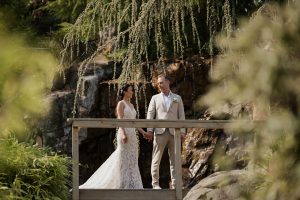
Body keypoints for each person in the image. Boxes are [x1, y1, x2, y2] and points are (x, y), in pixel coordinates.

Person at [79, 84, 146, 189]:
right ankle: (121, 183)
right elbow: (120, 119)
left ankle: (132, 184)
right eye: (130, 90)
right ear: (125, 92)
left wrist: (143, 132)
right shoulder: (121, 103)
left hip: (133, 135)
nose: (132, 92)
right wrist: (123, 133)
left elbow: (134, 122)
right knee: (122, 157)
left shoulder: (132, 105)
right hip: (124, 133)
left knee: (132, 158)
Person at [145, 74, 186, 189]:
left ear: (168, 82)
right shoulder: (155, 98)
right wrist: (149, 130)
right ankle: (155, 184)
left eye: (161, 82)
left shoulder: (177, 98)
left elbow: (181, 116)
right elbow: (150, 114)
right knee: (156, 159)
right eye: (158, 83)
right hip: (159, 132)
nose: (160, 85)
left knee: (175, 160)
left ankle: (176, 184)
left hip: (175, 133)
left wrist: (182, 131)